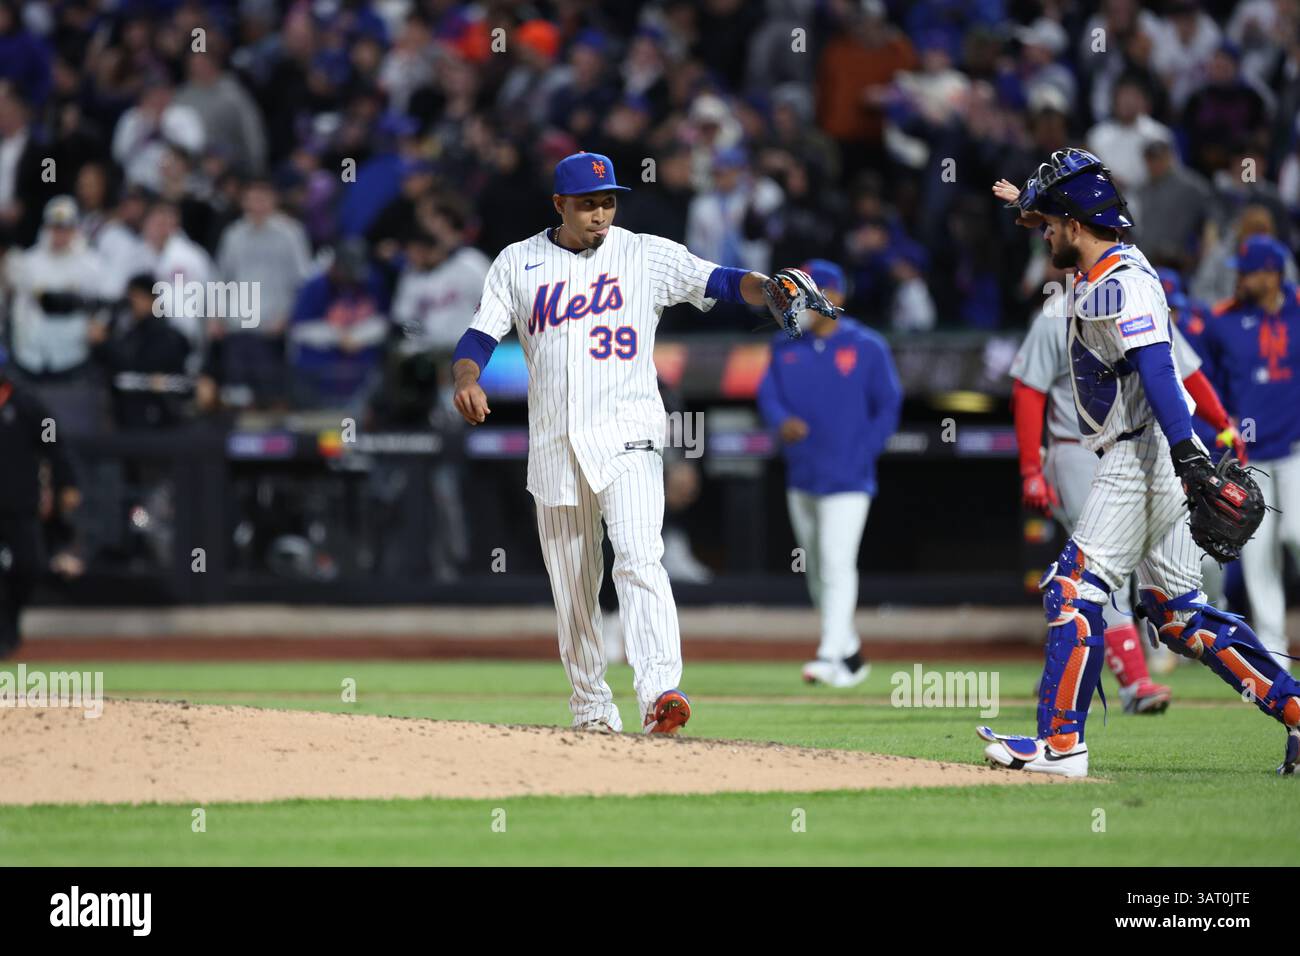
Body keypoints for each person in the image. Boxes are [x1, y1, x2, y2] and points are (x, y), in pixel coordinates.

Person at [450, 151, 831, 734]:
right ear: (559, 204)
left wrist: (766, 285)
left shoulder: (643, 253)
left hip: (629, 433)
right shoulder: (517, 262)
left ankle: (659, 693)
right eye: (587, 204)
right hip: (555, 444)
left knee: (639, 556)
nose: (600, 213)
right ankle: (592, 708)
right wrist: (467, 378)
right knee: (574, 585)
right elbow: (479, 333)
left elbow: (720, 280)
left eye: (608, 201)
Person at [980, 148, 1299, 778]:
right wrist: (1031, 204)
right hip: (1149, 449)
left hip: (1144, 450)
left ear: (1076, 223)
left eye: (1051, 224)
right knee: (1177, 614)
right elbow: (1076, 238)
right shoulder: (1106, 264)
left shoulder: (1120, 283)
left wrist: (1187, 456)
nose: (1044, 232)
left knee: (1073, 588)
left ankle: (1061, 746)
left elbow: (1159, 367)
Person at [1010, 269, 1243, 713]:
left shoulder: (1140, 301)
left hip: (1140, 450)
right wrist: (1030, 469)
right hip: (1075, 451)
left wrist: (1225, 424)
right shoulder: (1055, 314)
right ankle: (1135, 680)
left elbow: (1185, 373)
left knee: (1142, 576)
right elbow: (1027, 390)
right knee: (1099, 567)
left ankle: (1060, 673)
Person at [757, 259, 901, 687]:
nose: (797, 300)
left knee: (837, 565)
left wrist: (864, 450)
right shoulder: (785, 345)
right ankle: (849, 653)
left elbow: (889, 404)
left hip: (850, 477)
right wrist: (781, 421)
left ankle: (828, 653)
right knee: (818, 569)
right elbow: (768, 395)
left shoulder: (867, 345)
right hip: (803, 473)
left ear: (834, 296)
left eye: (808, 291)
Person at [1201, 236, 1300, 671]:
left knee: (1295, 535)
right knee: (1259, 558)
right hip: (1252, 456)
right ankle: (1275, 654)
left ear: (1273, 273)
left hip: (1297, 449)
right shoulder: (1223, 321)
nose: (1241, 278)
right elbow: (1205, 380)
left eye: (1249, 271)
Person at [0, 345, 80, 658]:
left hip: (19, 503)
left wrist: (66, 483)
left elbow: (55, 446)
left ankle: (10, 625)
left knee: (28, 567)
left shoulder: (26, 405)